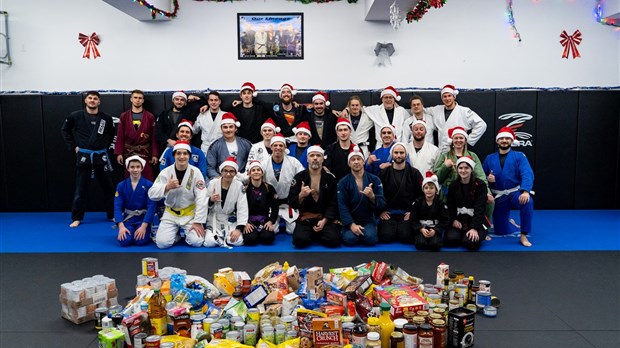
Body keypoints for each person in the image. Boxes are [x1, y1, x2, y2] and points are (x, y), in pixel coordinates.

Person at [60, 91, 115, 228]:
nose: (92, 100)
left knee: (109, 187)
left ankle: (112, 214)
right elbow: (65, 130)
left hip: (100, 156)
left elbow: (112, 134)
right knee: (80, 189)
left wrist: (105, 147)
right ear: (85, 100)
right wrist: (73, 146)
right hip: (84, 156)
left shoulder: (106, 119)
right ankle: (77, 218)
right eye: (90, 98)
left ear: (99, 102)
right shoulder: (76, 116)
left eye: (95, 99)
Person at [148, 141, 207, 249]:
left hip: (189, 213)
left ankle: (186, 234)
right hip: (171, 213)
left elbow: (202, 197)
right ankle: (177, 236)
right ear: (174, 155)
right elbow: (152, 194)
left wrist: (198, 221)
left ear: (189, 156)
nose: (182, 156)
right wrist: (166, 187)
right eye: (178, 153)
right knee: (162, 244)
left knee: (197, 242)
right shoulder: (166, 172)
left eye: (185, 153)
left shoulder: (196, 172)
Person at [483, 127, 534, 247]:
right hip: (498, 195)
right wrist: (488, 179)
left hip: (514, 193)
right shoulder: (489, 158)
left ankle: (523, 235)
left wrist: (525, 191)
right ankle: (509, 222)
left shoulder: (519, 156)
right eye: (501, 138)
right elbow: (481, 177)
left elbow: (527, 173)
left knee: (527, 201)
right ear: (497, 141)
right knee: (501, 231)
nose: (504, 140)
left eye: (507, 138)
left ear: (511, 141)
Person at [433, 126, 494, 219]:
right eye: (456, 138)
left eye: (461, 138)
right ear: (452, 140)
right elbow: (437, 178)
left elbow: (481, 176)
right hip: (449, 193)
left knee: (490, 201)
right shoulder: (444, 156)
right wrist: (445, 167)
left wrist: (487, 192)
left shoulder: (472, 156)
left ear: (465, 141)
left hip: (469, 191)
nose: (458, 140)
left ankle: (484, 228)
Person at [289, 146, 340, 248]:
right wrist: (301, 195)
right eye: (312, 155)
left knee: (333, 240)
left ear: (323, 158)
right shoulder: (299, 177)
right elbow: (291, 202)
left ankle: (315, 233)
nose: (315, 158)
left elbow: (333, 202)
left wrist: (325, 220)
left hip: (324, 218)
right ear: (307, 159)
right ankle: (313, 234)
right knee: (299, 241)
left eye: (318, 155)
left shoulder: (330, 178)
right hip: (306, 219)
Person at [338, 146, 386, 246]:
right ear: (349, 163)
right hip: (351, 218)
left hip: (368, 219)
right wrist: (351, 224)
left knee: (370, 239)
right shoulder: (343, 182)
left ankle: (371, 229)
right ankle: (348, 229)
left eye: (359, 159)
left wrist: (372, 196)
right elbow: (342, 206)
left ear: (363, 161)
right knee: (350, 240)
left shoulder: (374, 179)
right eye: (353, 160)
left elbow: (382, 204)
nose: (356, 162)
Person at [377, 142, 423, 244]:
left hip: (407, 213)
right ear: (392, 154)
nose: (398, 155)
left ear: (406, 154)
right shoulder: (384, 173)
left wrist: (413, 212)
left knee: (406, 237)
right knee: (385, 237)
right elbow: (378, 194)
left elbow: (421, 195)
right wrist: (381, 211)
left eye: (401, 153)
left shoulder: (414, 173)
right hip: (389, 213)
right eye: (396, 152)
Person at [260, 133, 305, 234]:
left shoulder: (294, 162)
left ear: (285, 147)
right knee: (272, 231)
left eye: (281, 145)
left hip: (289, 202)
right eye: (275, 145)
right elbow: (252, 175)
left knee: (293, 231)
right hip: (271, 203)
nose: (278, 148)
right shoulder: (263, 163)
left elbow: (304, 176)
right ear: (271, 147)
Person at [203, 157, 249, 248]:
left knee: (238, 241)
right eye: (225, 171)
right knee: (209, 243)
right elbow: (203, 202)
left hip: (230, 219)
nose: (228, 174)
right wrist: (210, 200)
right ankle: (218, 236)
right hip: (214, 219)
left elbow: (242, 208)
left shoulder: (239, 186)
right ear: (221, 171)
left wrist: (239, 229)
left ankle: (223, 237)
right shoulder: (213, 183)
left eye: (231, 171)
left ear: (235, 173)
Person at [425, 85, 487, 151]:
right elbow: (421, 110)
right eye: (444, 96)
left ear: (454, 97)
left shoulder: (464, 111)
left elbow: (481, 124)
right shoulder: (436, 110)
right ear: (442, 98)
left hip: (458, 150)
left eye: (449, 96)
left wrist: (468, 140)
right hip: (441, 151)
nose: (447, 99)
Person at [445, 156, 488, 251]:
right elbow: (450, 205)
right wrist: (453, 220)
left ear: (471, 169)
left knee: (471, 243)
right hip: (459, 220)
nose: (463, 171)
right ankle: (462, 235)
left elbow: (480, 208)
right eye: (460, 168)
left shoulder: (480, 185)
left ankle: (478, 233)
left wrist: (474, 228)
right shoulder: (453, 185)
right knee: (451, 240)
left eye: (466, 168)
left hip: (474, 220)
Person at [114, 89, 159, 181]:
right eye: (135, 98)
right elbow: (120, 136)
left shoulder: (150, 116)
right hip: (129, 152)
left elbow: (153, 137)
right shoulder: (124, 116)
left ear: (143, 100)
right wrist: (119, 153)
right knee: (129, 179)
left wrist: (154, 154)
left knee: (147, 178)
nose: (137, 100)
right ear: (131, 99)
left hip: (144, 152)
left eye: (140, 98)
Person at [114, 155, 157, 247]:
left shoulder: (149, 185)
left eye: (138, 167)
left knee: (140, 240)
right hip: (128, 219)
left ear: (142, 168)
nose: (135, 170)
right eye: (132, 167)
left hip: (142, 219)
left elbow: (151, 206)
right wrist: (121, 226)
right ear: (128, 168)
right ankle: (129, 232)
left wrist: (144, 226)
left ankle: (146, 232)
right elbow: (117, 206)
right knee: (124, 241)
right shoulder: (121, 185)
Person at [206, 113, 252, 180]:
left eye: (231, 127)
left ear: (235, 128)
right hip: (221, 180)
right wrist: (220, 180)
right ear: (221, 129)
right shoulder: (214, 146)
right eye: (225, 127)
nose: (228, 130)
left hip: (242, 180)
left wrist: (245, 177)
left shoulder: (246, 144)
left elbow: (252, 162)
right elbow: (210, 168)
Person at [411, 171, 449, 251]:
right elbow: (413, 219)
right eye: (426, 188)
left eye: (432, 188)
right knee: (420, 244)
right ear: (423, 189)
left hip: (435, 228)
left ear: (436, 190)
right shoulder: (417, 202)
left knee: (435, 245)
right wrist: (420, 229)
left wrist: (436, 230)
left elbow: (445, 220)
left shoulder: (440, 203)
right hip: (422, 228)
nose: (429, 190)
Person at [244, 160, 279, 246]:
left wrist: (271, 221)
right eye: (253, 170)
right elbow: (239, 207)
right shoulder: (244, 189)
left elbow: (275, 206)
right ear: (249, 173)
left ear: (262, 173)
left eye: (258, 170)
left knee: (268, 238)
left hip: (265, 220)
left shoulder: (269, 188)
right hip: (249, 221)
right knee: (250, 240)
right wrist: (244, 223)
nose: (256, 172)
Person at [193, 91, 226, 156]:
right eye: (211, 100)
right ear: (208, 102)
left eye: (216, 100)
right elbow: (194, 130)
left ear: (219, 102)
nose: (213, 102)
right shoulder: (202, 115)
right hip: (206, 149)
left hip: (221, 148)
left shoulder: (225, 115)